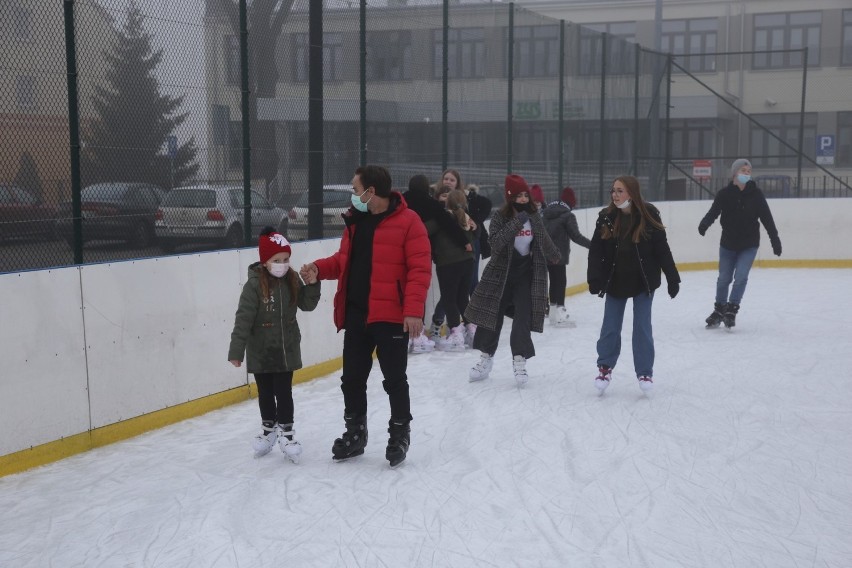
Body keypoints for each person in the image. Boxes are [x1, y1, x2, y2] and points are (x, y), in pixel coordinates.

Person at [300, 165, 431, 467]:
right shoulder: (356, 222)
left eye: (356, 189)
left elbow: (420, 270)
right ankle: (355, 432)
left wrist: (412, 311)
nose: (353, 194)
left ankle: (399, 432)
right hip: (357, 315)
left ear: (372, 191)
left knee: (394, 379)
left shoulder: (409, 222)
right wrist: (319, 269)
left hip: (391, 317)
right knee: (352, 380)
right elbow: (343, 261)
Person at [228, 227, 321, 463]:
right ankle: (269, 429)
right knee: (266, 394)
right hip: (261, 352)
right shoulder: (253, 287)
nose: (282, 264)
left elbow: (307, 305)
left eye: (286, 259)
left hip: (285, 349)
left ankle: (287, 432)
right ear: (265, 261)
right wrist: (236, 351)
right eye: (277, 260)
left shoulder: (291, 279)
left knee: (284, 392)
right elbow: (243, 319)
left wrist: (313, 284)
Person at [587, 175, 680, 395]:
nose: (615, 195)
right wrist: (594, 277)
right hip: (616, 280)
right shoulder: (606, 216)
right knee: (610, 327)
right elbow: (596, 250)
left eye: (620, 191)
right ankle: (605, 367)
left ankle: (645, 372)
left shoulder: (648, 215)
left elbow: (662, 249)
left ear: (632, 193)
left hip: (643, 281)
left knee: (642, 327)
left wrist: (672, 276)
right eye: (613, 191)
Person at [464, 174, 560, 386]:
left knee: (522, 319)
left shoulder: (534, 217)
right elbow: (496, 244)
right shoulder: (500, 217)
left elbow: (543, 239)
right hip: (500, 275)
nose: (524, 199)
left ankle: (519, 360)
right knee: (492, 318)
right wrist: (517, 221)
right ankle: (485, 359)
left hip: (526, 276)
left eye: (526, 195)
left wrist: (556, 257)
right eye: (520, 195)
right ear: (510, 196)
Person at [698, 159, 782, 329]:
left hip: (749, 244)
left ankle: (732, 309)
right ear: (734, 173)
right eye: (743, 170)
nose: (746, 173)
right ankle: (720, 309)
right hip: (728, 244)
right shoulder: (724, 194)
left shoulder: (756, 195)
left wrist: (775, 239)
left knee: (741, 277)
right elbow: (714, 212)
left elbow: (767, 218)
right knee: (723, 279)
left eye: (749, 171)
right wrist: (705, 223)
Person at [402, 174, 471, 353]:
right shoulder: (432, 205)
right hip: (422, 253)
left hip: (400, 251)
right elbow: (448, 224)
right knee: (419, 292)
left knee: (404, 291)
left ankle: (409, 336)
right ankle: (419, 336)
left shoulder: (401, 202)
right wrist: (464, 241)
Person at [430, 188, 476, 351]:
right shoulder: (467, 218)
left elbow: (426, 230)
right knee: (463, 297)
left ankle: (456, 333)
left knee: (449, 298)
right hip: (467, 262)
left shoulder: (442, 218)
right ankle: (471, 331)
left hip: (448, 263)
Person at [542, 186, 591, 327]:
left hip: (544, 254)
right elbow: (576, 236)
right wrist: (593, 246)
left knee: (553, 282)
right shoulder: (568, 215)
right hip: (558, 255)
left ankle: (552, 315)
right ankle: (560, 314)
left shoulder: (545, 213)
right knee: (560, 282)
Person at [466, 183, 493, 295]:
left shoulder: (469, 198)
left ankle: (477, 309)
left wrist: (476, 220)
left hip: (473, 240)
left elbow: (487, 203)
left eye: (452, 180)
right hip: (455, 244)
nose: (448, 182)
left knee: (472, 280)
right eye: (446, 179)